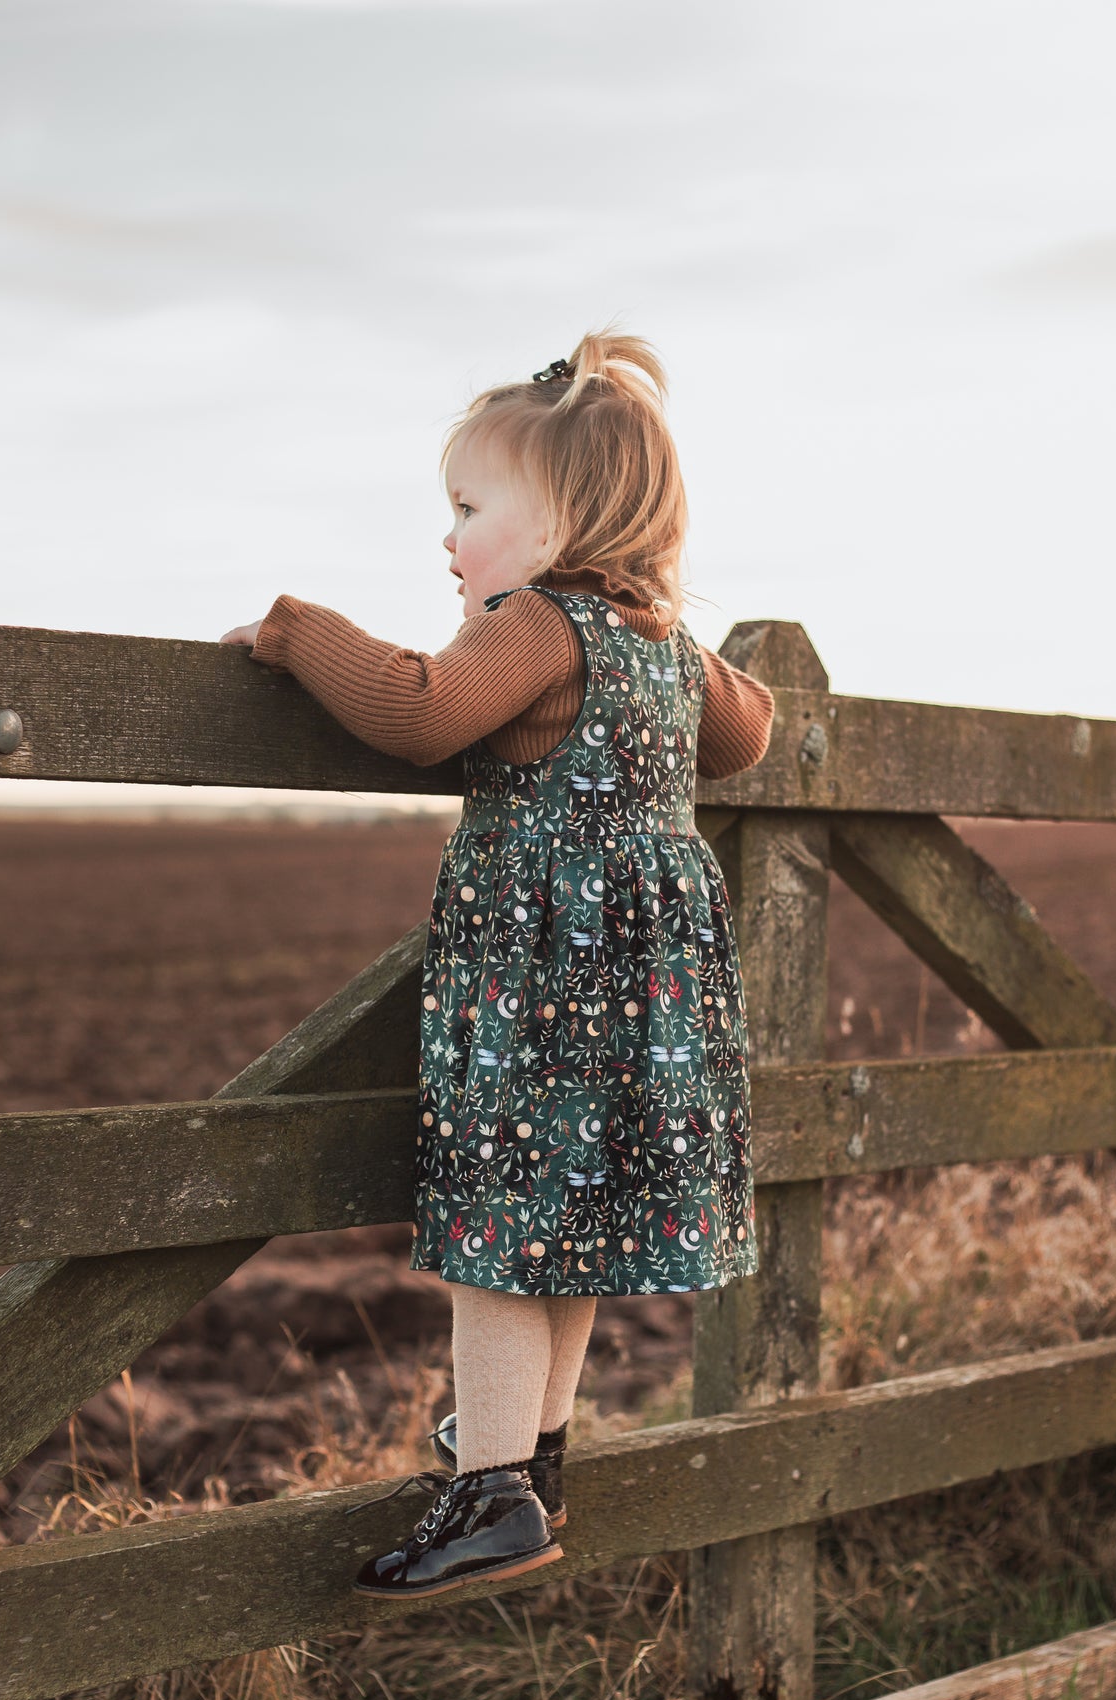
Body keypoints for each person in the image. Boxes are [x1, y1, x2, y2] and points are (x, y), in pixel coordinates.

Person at [221, 332, 774, 1598]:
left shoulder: (535, 626)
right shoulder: (665, 651)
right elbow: (747, 735)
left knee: (494, 1236)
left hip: (538, 997)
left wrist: (300, 630)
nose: (450, 538)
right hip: (646, 1009)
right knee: (562, 1238)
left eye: (470, 509)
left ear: (563, 523)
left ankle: (488, 1493)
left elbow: (417, 708)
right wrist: (676, 628)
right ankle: (534, 1467)